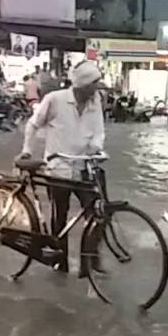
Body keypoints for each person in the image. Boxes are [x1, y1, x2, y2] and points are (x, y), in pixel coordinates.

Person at [18, 60, 106, 276]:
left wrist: (96, 148)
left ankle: (91, 259)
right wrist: (27, 150)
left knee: (98, 214)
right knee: (60, 219)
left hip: (84, 166)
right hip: (58, 169)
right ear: (82, 85)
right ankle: (61, 263)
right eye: (94, 84)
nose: (97, 88)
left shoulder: (96, 102)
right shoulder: (55, 100)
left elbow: (99, 131)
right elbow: (33, 124)